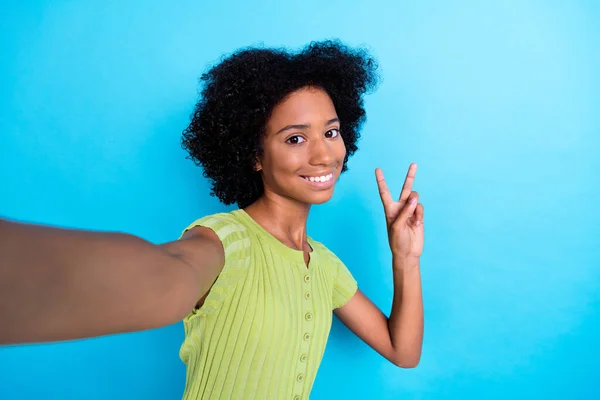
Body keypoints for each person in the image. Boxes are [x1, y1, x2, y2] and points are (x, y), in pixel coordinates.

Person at [0, 40, 424, 399]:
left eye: (331, 132)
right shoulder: (223, 240)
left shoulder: (326, 266)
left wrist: (405, 257)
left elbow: (402, 352)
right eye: (295, 138)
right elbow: (168, 275)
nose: (324, 154)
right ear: (254, 156)